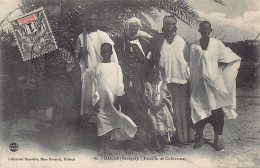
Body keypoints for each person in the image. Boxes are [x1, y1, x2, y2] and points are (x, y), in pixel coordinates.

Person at [189, 21, 241, 151]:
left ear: (210, 30)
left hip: (214, 86)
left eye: (207, 30)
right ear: (199, 30)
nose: (205, 32)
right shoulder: (194, 46)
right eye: (202, 30)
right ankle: (199, 137)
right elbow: (192, 66)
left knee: (217, 112)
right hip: (199, 86)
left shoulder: (217, 45)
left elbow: (230, 59)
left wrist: (220, 73)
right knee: (198, 110)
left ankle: (218, 139)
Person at [151, 16, 194, 146]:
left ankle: (181, 138)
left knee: (180, 109)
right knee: (166, 109)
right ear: (164, 28)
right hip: (165, 82)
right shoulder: (160, 42)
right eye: (166, 26)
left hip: (180, 83)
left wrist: (186, 77)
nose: (169, 28)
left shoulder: (181, 42)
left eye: (171, 26)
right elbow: (155, 58)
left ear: (175, 27)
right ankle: (167, 137)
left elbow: (187, 61)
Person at [120, 17, 158, 153]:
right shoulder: (121, 42)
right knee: (129, 110)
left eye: (135, 27)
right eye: (131, 27)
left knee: (142, 110)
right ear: (127, 28)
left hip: (141, 82)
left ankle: (147, 141)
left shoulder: (145, 43)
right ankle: (130, 143)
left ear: (139, 29)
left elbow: (150, 64)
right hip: (126, 82)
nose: (133, 29)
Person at [93, 43, 137, 156]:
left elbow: (119, 83)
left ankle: (108, 147)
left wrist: (118, 98)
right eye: (103, 51)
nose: (106, 53)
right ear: (101, 53)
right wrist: (95, 101)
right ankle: (102, 147)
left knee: (111, 123)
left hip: (113, 100)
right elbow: (95, 85)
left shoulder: (116, 67)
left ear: (112, 52)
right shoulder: (97, 67)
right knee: (102, 124)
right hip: (101, 101)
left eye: (108, 51)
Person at [76, 13, 119, 116]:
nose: (92, 22)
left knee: (104, 95)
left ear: (97, 21)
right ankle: (90, 120)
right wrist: (81, 54)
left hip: (102, 71)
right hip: (88, 71)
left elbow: (111, 54)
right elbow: (77, 55)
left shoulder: (103, 35)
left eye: (94, 20)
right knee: (88, 95)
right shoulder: (82, 37)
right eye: (89, 20)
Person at [143, 64, 176, 153]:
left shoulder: (163, 85)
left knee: (163, 127)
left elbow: (168, 96)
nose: (153, 75)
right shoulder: (147, 85)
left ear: (158, 74)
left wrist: (162, 104)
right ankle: (157, 145)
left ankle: (164, 144)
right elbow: (145, 96)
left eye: (155, 73)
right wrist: (150, 105)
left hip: (162, 110)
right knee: (154, 127)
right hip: (152, 110)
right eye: (151, 73)